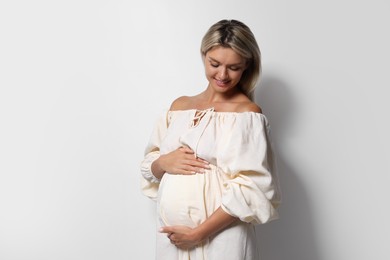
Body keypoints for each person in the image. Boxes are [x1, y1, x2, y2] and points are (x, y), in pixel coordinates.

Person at [140, 19, 281, 260]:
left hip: (221, 238)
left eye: (234, 67)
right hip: (171, 238)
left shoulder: (246, 114)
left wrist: (198, 233)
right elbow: (149, 164)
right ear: (203, 55)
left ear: (247, 65)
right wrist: (163, 163)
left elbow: (253, 187)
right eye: (214, 63)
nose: (222, 75)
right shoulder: (179, 107)